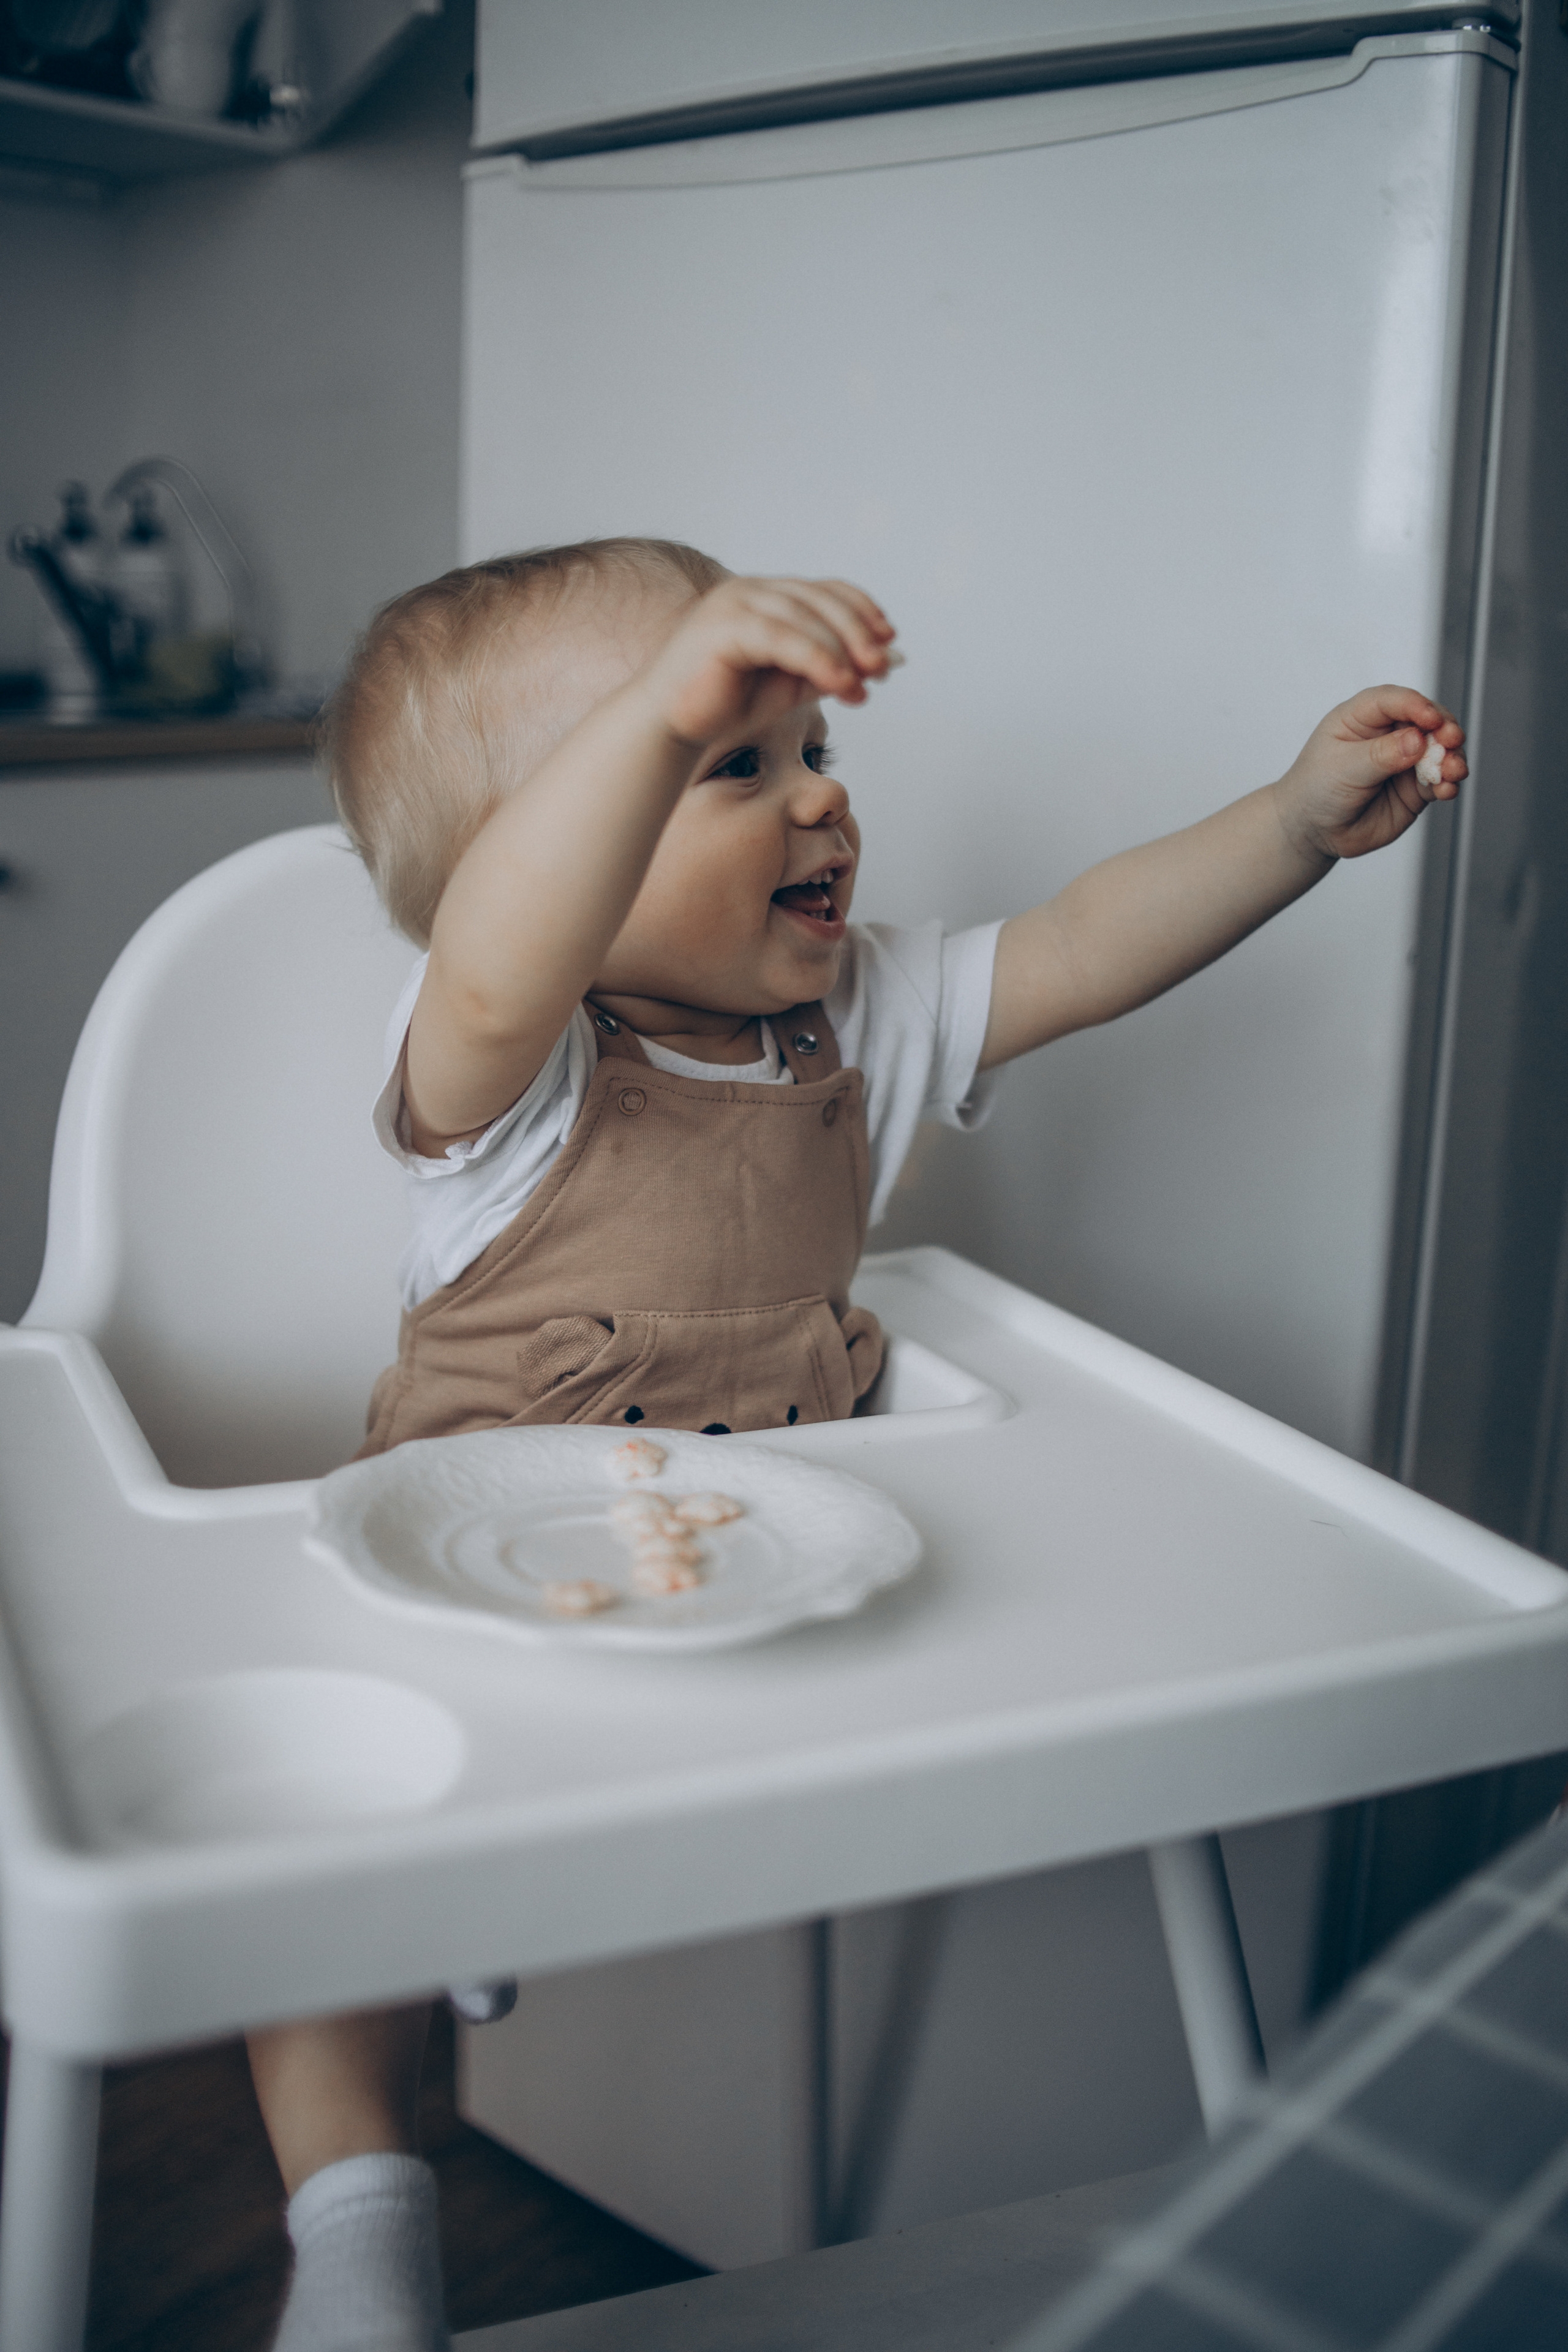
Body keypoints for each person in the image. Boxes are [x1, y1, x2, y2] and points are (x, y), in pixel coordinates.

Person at [258, 537, 1465, 2350]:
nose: (822, 802)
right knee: (315, 1910)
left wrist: (1291, 825)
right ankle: (360, 2238)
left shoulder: (856, 1021)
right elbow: (509, 944)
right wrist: (662, 721)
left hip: (781, 1597)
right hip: (464, 1589)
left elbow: (1076, 944)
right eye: (734, 769)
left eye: (814, 753)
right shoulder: (511, 1072)